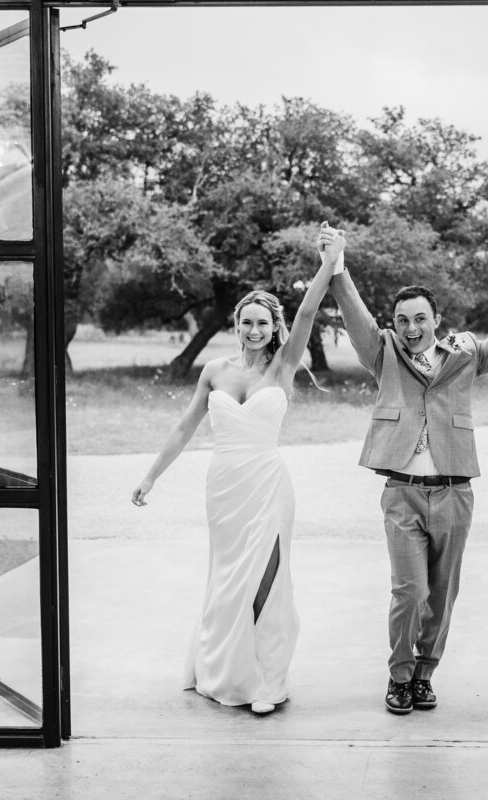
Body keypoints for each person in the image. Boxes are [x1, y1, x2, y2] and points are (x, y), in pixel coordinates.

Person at [325, 221, 488, 714]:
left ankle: (424, 674)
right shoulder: (382, 353)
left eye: (419, 319)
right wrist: (337, 264)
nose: (411, 328)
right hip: (402, 492)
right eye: (402, 320)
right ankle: (399, 676)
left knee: (442, 593)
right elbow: (355, 314)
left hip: (454, 493)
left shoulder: (466, 354)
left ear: (436, 319)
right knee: (410, 592)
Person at [131, 224, 343, 715]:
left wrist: (329, 263)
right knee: (229, 581)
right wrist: (150, 476)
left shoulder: (284, 365)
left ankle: (269, 680)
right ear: (236, 324)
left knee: (267, 577)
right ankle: (225, 669)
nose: (253, 330)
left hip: (268, 486)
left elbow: (308, 311)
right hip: (224, 490)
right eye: (246, 322)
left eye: (262, 323)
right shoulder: (214, 371)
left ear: (274, 326)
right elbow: (185, 427)